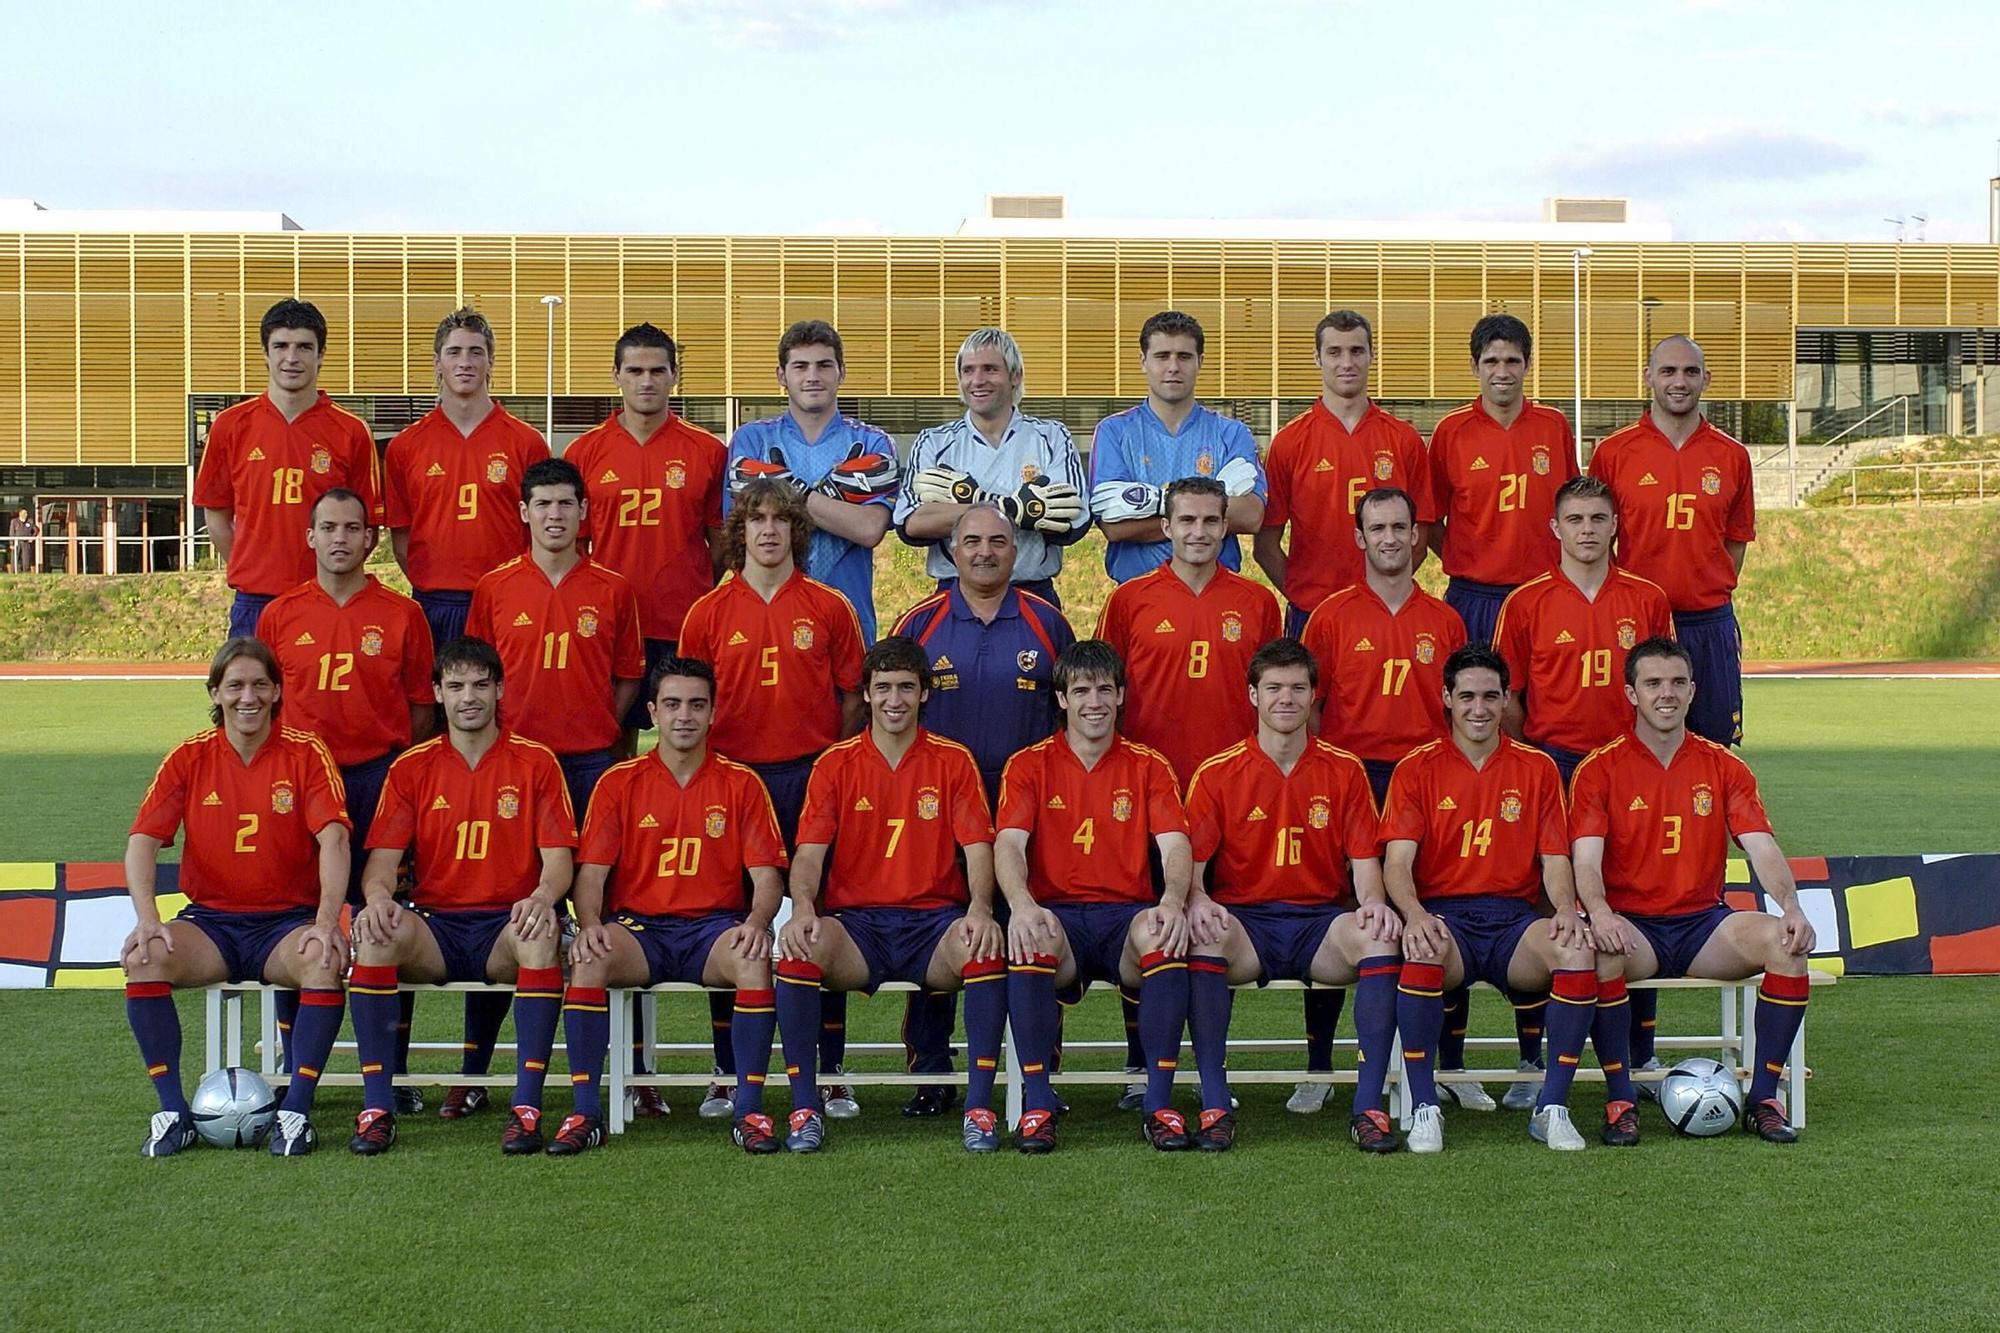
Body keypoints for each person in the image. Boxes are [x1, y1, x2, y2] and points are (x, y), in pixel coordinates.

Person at [1569, 637, 1816, 1146]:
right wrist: (1600, 913)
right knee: (1597, 953)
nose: (1667, 694)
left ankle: (1764, 1098)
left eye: (1677, 683)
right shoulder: (1600, 768)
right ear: (1631, 693)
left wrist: (1790, 907)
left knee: (1786, 945)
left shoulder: (1723, 766)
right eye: (1653, 683)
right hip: (1634, 926)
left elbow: (1761, 847)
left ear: (1692, 690)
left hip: (1703, 924)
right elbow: (1585, 862)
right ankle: (1621, 1099)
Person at [677, 477, 865, 1118]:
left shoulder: (830, 606)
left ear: (795, 531)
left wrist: (822, 763)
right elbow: (690, 702)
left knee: (822, 913)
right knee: (735, 919)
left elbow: (850, 700)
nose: (767, 530)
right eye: (755, 519)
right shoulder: (707, 612)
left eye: (779, 520)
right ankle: (728, 1069)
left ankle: (829, 1069)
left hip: (810, 778)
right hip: (731, 783)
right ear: (739, 531)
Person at [345, 636, 577, 1156]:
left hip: (504, 927)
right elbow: (380, 864)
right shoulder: (412, 767)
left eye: (479, 685)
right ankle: (378, 1105)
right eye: (455, 686)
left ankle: (526, 1106)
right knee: (379, 937)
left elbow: (560, 861)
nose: (468, 696)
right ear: (437, 693)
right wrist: (379, 898)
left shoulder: (536, 762)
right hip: (437, 927)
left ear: (500, 690)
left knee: (539, 935)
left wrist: (542, 897)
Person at [773, 636, 1005, 1154]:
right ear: (867, 694)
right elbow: (809, 854)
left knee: (983, 947)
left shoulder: (952, 761)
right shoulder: (835, 764)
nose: (894, 700)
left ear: (925, 693)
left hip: (932, 925)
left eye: (906, 688)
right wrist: (803, 910)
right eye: (883, 688)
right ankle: (805, 1107)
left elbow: (978, 849)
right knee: (799, 948)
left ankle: (979, 1108)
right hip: (858, 928)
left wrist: (981, 909)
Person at [1484, 473, 1673, 1105]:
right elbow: (1506, 697)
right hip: (1554, 764)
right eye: (1575, 520)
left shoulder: (1647, 598)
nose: (1587, 531)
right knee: (1546, 904)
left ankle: (1637, 1057)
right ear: (1554, 529)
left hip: (1626, 770)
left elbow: (1659, 684)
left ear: (1615, 525)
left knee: (1629, 898)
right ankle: (1532, 1056)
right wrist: (1537, 754)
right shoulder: (1526, 601)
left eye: (1598, 519)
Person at [551, 656, 790, 1156]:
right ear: (654, 712)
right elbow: (590, 874)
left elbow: (766, 876)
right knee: (589, 956)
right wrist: (589, 923)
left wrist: (758, 920)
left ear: (713, 712)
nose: (685, 716)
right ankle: (584, 1111)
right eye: (674, 704)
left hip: (712, 930)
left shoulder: (741, 783)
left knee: (751, 958)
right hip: (640, 930)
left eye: (697, 705)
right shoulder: (619, 782)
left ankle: (748, 1110)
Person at [122, 637, 351, 1157]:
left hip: (285, 924)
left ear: (276, 692)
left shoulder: (305, 753)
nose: (247, 697)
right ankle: (172, 1112)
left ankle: (295, 1110)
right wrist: (147, 918)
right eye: (235, 686)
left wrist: (325, 920)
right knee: (144, 958)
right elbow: (142, 841)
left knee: (321, 960)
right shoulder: (189, 757)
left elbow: (333, 839)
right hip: (211, 923)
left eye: (259, 685)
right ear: (216, 693)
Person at [461, 456, 641, 1114]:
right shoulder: (495, 587)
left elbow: (627, 679)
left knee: (610, 912)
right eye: (544, 504)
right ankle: (475, 1069)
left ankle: (633, 1068)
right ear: (524, 513)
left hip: (590, 763)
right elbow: (479, 677)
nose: (556, 515)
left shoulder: (614, 588)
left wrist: (594, 726)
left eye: (568, 503)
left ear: (584, 512)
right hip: (513, 768)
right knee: (504, 908)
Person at [1182, 638, 1404, 1153]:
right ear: (1252, 695)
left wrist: (1373, 904)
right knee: (1204, 937)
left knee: (1379, 940)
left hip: (1320, 923)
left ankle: (1368, 1107)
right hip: (1247, 923)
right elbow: (1192, 871)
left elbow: (1366, 869)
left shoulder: (1344, 770)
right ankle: (1215, 1101)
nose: (1287, 698)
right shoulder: (1217, 772)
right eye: (1275, 688)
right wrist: (1197, 900)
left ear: (1313, 696)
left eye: (1298, 688)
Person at [890, 503, 1075, 1117]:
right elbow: (892, 711)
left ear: (1017, 550)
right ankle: (933, 1066)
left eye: (999, 541)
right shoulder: (919, 622)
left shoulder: (1048, 622)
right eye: (972, 541)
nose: (986, 552)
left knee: (1027, 925)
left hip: (1029, 802)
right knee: (947, 924)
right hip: (939, 805)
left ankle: (1038, 1064)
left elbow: (1068, 715)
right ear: (951, 550)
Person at [1380, 645, 1598, 1153]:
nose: (1479, 708)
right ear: (1446, 699)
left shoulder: (1537, 768)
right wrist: (1412, 915)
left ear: (1506, 702)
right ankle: (1423, 1107)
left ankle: (1552, 1107)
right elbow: (1396, 863)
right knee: (1422, 947)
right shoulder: (1416, 768)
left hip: (1512, 922)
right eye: (1467, 697)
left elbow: (1554, 859)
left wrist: (1567, 909)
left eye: (1490, 697)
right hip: (1445, 918)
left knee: (1575, 948)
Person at [257, 487, 434, 1107]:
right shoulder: (278, 615)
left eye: (352, 528)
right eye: (327, 527)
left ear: (370, 538)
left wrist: (391, 771)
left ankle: (395, 1072)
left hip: (378, 783)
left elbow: (419, 710)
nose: (339, 538)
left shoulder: (401, 614)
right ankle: (290, 1058)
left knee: (385, 917)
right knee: (299, 915)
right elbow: (268, 711)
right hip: (304, 784)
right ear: (310, 537)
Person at [994, 639, 1193, 1152]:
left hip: (1124, 917)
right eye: (1081, 691)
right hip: (1059, 917)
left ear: (1122, 695)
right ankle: (1037, 1104)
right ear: (1062, 699)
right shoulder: (1028, 765)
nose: (1095, 702)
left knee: (1163, 934)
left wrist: (1172, 900)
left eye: (1105, 690)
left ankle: (1159, 1102)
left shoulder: (1149, 765)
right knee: (1031, 936)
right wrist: (1021, 905)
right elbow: (1009, 845)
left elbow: (1175, 845)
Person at [1588, 335, 1755, 748]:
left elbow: (1736, 541)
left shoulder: (1732, 455)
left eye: (1690, 372)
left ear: (1706, 379)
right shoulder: (1613, 453)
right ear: (1648, 377)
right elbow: (1593, 540)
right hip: (1637, 624)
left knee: (1713, 745)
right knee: (1630, 746)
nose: (1679, 381)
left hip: (1707, 623)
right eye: (1668, 371)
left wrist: (1703, 585)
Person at [568, 322, 727, 750]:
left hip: (683, 620)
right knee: (612, 735)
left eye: (657, 371)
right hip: (611, 622)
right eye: (635, 371)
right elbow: (574, 546)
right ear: (616, 375)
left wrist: (693, 585)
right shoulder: (584, 451)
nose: (646, 381)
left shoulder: (707, 450)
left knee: (690, 734)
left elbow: (722, 539)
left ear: (675, 376)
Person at [193, 298, 382, 639]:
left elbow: (367, 527)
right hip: (255, 603)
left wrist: (332, 577)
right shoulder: (230, 425)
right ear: (265, 353)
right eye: (281, 346)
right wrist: (252, 564)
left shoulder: (351, 431)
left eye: (304, 347)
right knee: (249, 694)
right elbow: (216, 515)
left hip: (325, 600)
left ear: (321, 355)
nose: (292, 358)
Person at [1255, 310, 1438, 636]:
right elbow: (1265, 545)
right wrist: (1304, 597)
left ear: (1372, 355)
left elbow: (1420, 537)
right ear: (1317, 358)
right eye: (1334, 352)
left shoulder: (1404, 439)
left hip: (1382, 611)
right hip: (1312, 611)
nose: (1346, 362)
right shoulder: (1290, 441)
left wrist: (1385, 591)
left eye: (1356, 351)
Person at [1096, 477, 1282, 789]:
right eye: (1187, 520)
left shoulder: (1258, 602)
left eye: (1210, 521)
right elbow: (1101, 690)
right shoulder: (1128, 600)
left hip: (1236, 776)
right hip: (1148, 774)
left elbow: (1275, 693)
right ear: (1167, 527)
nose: (1199, 532)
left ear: (1224, 527)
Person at [384, 306, 550, 651]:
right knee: (439, 702)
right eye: (454, 352)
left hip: (509, 599)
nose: (465, 362)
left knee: (508, 702)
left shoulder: (526, 442)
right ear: (437, 362)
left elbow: (541, 530)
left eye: (476, 352)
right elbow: (401, 533)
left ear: (490, 362)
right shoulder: (406, 446)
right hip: (434, 603)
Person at [726, 319, 901, 642]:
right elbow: (740, 529)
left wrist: (788, 496)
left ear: (841, 372)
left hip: (848, 619)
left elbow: (868, 529)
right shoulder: (751, 439)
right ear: (782, 375)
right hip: (764, 616)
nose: (812, 377)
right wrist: (839, 498)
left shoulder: (875, 442)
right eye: (800, 366)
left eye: (824, 365)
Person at [895, 328, 1089, 606]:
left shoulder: (1052, 436)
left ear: (1015, 376)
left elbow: (1074, 520)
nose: (977, 380)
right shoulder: (933, 441)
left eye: (990, 369)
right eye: (968, 370)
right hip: (953, 594)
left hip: (1032, 593)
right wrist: (1013, 509)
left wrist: (960, 505)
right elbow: (911, 523)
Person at [1427, 313, 1579, 646]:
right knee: (1476, 695)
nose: (1502, 372)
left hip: (1545, 591)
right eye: (1491, 361)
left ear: (1527, 365)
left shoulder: (1553, 426)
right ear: (1474, 366)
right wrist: (1471, 558)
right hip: (1474, 596)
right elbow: (1430, 519)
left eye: (1512, 361)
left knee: (1546, 695)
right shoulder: (1451, 432)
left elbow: (1572, 509)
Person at [1088, 310, 1265, 582]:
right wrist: (1206, 517)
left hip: (1218, 594)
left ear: (1200, 362)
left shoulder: (1231, 433)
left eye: (1184, 356)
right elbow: (1114, 526)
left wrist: (1149, 506)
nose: (1173, 367)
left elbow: (1251, 515)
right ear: (1143, 361)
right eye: (1162, 356)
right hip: (1139, 593)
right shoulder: (1114, 432)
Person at [9, 507, 36, 572]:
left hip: (26, 542)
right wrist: (11, 543)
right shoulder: (14, 521)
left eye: (26, 513)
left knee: (26, 558)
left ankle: (26, 571)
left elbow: (36, 530)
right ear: (20, 513)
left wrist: (32, 538)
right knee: (15, 558)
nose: (25, 514)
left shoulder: (30, 521)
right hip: (16, 542)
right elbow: (11, 532)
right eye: (24, 513)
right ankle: (14, 571)